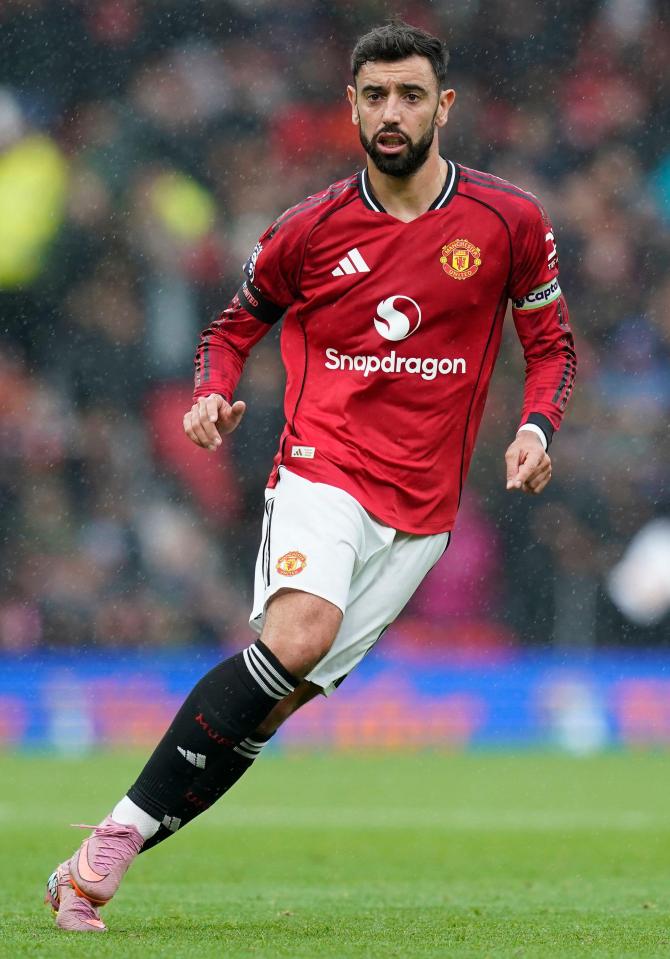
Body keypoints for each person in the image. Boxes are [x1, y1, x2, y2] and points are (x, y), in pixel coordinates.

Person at [45, 19, 576, 933]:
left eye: (411, 94)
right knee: (299, 633)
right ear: (351, 108)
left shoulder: (508, 221)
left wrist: (536, 425)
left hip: (425, 509)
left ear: (443, 106)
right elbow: (230, 327)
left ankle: (94, 862)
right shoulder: (310, 228)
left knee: (277, 696)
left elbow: (553, 346)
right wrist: (212, 393)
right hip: (322, 463)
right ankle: (114, 843)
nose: (392, 112)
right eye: (375, 96)